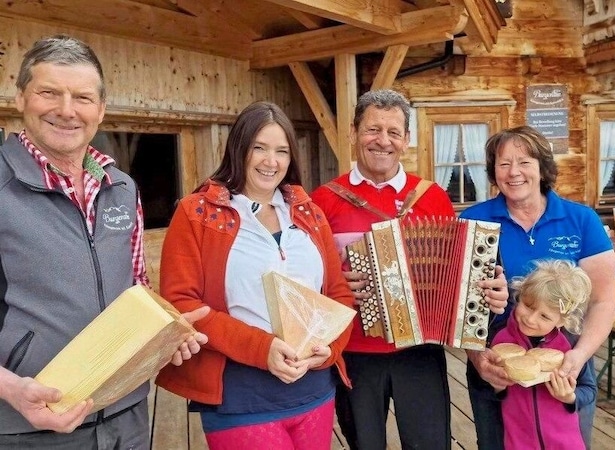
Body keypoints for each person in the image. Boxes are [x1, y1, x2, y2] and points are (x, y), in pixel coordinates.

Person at [0, 34, 207, 447]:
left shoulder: (121, 186)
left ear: (101, 109)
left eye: (82, 97)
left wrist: (165, 336)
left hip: (125, 411)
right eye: (48, 92)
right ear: (21, 98)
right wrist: (10, 388)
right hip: (31, 423)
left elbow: (136, 290)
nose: (66, 110)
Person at [310, 89, 509, 449]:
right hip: (353, 350)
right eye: (372, 130)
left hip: (421, 349)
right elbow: (307, 279)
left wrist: (487, 290)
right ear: (354, 133)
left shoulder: (431, 196)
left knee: (429, 444)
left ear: (406, 140)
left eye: (393, 132)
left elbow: (456, 272)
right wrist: (335, 283)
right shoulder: (324, 199)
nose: (382, 141)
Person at [155, 101, 355, 449]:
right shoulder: (197, 213)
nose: (270, 161)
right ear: (238, 149)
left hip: (313, 389)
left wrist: (330, 350)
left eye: (281, 151)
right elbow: (181, 303)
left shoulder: (310, 214)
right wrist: (263, 349)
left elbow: (338, 295)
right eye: (259, 148)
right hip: (240, 395)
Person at [460, 125, 615, 449]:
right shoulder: (472, 221)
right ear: (493, 172)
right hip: (496, 362)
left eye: (524, 162)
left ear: (542, 167)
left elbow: (603, 302)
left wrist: (578, 356)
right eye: (503, 164)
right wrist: (479, 362)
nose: (513, 172)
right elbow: (456, 304)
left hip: (563, 365)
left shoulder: (581, 220)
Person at [492, 259, 596, 450]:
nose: (531, 319)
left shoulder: (571, 347)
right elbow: (494, 391)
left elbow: (589, 389)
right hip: (518, 441)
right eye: (528, 306)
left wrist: (570, 397)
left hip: (565, 442)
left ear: (561, 321)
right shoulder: (502, 342)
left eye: (545, 316)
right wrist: (498, 386)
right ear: (520, 295)